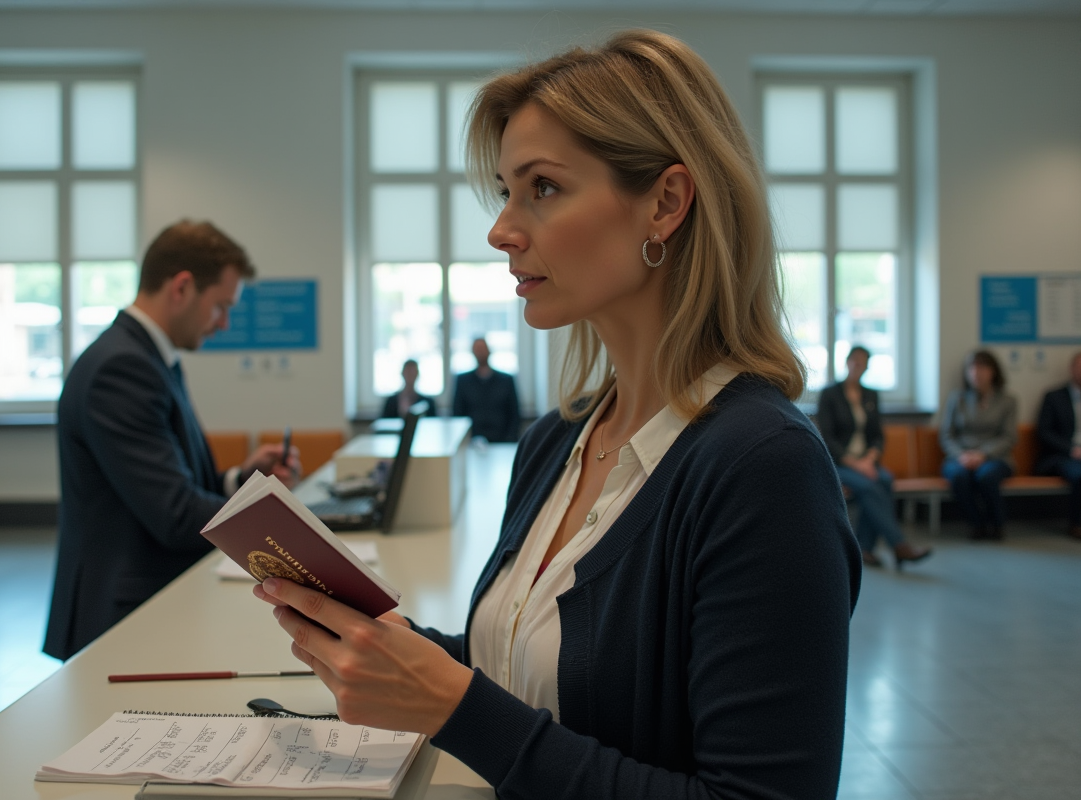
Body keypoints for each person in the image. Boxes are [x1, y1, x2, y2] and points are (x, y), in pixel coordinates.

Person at [254, 31, 860, 799]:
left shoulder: (763, 466)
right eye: (506, 191)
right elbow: (546, 682)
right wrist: (399, 651)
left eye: (541, 188)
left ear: (665, 204)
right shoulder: (555, 441)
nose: (502, 229)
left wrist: (455, 708)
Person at [44, 221, 300, 661]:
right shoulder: (122, 368)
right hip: (120, 612)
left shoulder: (147, 357)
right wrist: (288, 536)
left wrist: (241, 477)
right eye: (221, 306)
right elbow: (176, 515)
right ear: (182, 287)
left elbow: (168, 483)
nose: (224, 324)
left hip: (138, 597)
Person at [817, 346, 931, 568]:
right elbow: (828, 440)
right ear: (847, 362)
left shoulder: (871, 395)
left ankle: (865, 548)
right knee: (871, 486)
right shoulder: (830, 394)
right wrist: (856, 464)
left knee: (885, 479)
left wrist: (869, 459)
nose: (858, 365)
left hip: (866, 462)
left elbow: (878, 436)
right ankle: (899, 545)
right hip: (840, 463)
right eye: (855, 360)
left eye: (863, 361)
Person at [940, 349, 1017, 541]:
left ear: (993, 371)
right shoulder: (957, 399)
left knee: (987, 476)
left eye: (982, 368)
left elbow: (1009, 437)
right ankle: (976, 524)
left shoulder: (1007, 401)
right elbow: (947, 435)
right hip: (960, 457)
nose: (976, 373)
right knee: (959, 476)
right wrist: (962, 455)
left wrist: (983, 454)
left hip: (995, 457)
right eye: (972, 368)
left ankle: (998, 524)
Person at [1035, 351, 1081, 540]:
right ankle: (1077, 524)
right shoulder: (1054, 397)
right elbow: (1044, 432)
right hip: (1062, 456)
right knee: (1079, 475)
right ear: (1072, 369)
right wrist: (1072, 449)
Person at [452, 337, 521, 442]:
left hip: (501, 439)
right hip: (472, 440)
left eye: (483, 348)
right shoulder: (463, 381)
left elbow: (514, 412)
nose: (480, 352)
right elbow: (457, 412)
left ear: (489, 350)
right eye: (477, 349)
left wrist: (509, 439)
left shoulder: (505, 380)